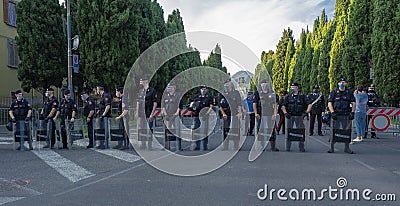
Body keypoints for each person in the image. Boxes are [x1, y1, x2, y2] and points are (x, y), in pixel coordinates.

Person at [327, 77, 356, 154]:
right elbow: (330, 102)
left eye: (343, 82)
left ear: (346, 83)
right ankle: (331, 147)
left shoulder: (349, 92)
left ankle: (347, 148)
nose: (342, 84)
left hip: (346, 115)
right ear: (338, 83)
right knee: (333, 130)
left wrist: (352, 112)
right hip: (336, 115)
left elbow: (353, 103)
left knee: (346, 131)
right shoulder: (334, 92)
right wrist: (332, 112)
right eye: (341, 82)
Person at [281, 82, 312, 152]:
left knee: (300, 131)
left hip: (300, 116)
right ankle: (288, 146)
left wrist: (306, 112)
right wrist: (285, 113)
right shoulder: (288, 96)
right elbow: (283, 106)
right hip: (290, 116)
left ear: (297, 88)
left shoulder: (302, 96)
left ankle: (301, 146)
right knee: (289, 130)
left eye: (293, 87)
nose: (292, 88)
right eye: (291, 87)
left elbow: (310, 104)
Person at [253, 79, 279, 151]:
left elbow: (275, 105)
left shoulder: (272, 93)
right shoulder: (257, 93)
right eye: (263, 83)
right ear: (260, 85)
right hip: (261, 115)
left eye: (266, 83)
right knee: (261, 130)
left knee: (271, 130)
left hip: (270, 115)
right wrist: (256, 113)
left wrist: (275, 114)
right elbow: (254, 104)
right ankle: (261, 146)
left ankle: (273, 146)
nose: (264, 85)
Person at [218, 79, 242, 150]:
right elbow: (220, 105)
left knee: (235, 130)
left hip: (235, 114)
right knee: (225, 130)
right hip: (226, 115)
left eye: (227, 84)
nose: (226, 85)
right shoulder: (222, 93)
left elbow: (239, 104)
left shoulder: (236, 93)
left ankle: (236, 146)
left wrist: (240, 113)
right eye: (225, 84)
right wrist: (223, 114)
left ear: (231, 84)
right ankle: (225, 146)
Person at [189, 84, 214, 150]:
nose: (203, 90)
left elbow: (211, 106)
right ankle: (197, 145)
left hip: (205, 116)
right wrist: (192, 108)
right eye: (202, 89)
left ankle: (205, 144)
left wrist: (207, 113)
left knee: (205, 130)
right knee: (196, 129)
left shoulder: (209, 97)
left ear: (206, 89)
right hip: (196, 116)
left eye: (205, 89)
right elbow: (191, 104)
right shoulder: (196, 96)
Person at [135, 77, 157, 150]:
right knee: (142, 129)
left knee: (149, 129)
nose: (140, 82)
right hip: (141, 113)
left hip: (148, 112)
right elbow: (138, 102)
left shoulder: (152, 91)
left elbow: (155, 103)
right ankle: (143, 144)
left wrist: (152, 114)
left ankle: (149, 145)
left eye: (141, 81)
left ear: (146, 81)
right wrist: (137, 112)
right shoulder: (140, 91)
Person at [161, 82, 183, 151]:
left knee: (177, 131)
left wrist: (175, 115)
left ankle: (178, 147)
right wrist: (166, 115)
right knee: (167, 131)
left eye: (169, 87)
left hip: (176, 116)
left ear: (173, 87)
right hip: (167, 115)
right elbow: (163, 106)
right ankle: (167, 146)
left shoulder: (178, 95)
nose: (168, 88)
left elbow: (180, 107)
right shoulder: (165, 96)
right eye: (168, 87)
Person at [96, 84, 112, 149]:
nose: (96, 91)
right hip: (101, 116)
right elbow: (101, 107)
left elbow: (107, 106)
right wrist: (97, 113)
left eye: (97, 89)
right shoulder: (101, 97)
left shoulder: (106, 96)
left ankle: (106, 143)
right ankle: (101, 143)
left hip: (105, 117)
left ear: (100, 89)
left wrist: (103, 115)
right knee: (101, 130)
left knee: (105, 130)